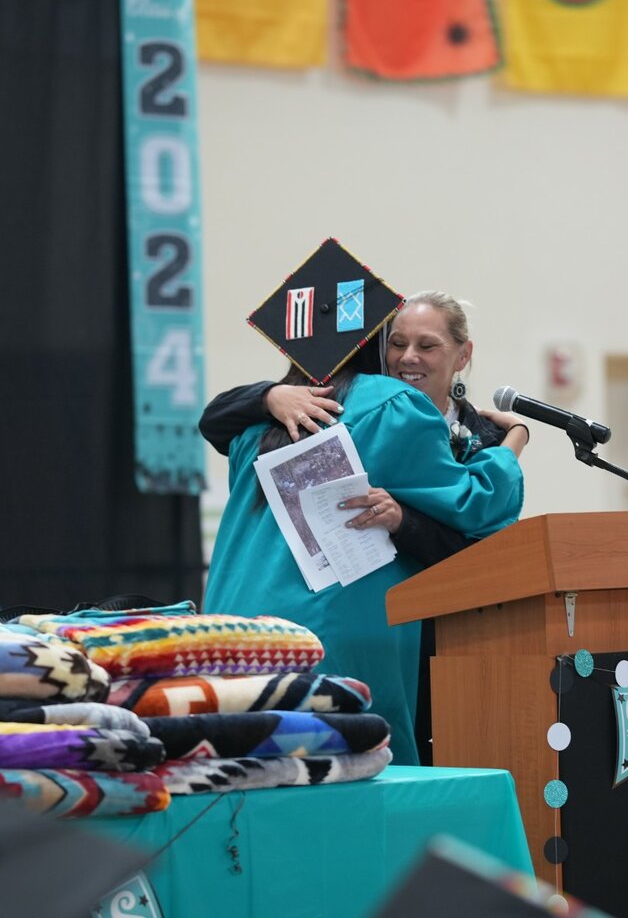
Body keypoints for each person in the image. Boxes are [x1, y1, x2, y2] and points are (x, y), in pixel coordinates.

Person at [202, 241, 527, 766]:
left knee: (251, 783)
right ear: (375, 340)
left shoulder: (257, 426)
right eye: (396, 341)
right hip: (332, 632)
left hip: (234, 627)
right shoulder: (393, 406)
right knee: (350, 779)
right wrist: (513, 444)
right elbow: (477, 503)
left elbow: (214, 418)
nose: (405, 357)